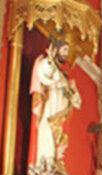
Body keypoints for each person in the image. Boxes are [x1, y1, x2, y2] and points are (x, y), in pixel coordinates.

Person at [29, 36, 81, 166]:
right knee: (47, 139)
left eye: (67, 51)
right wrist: (50, 60)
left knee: (55, 143)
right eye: (64, 50)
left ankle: (52, 168)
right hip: (50, 109)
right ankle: (44, 169)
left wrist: (73, 90)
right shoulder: (47, 64)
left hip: (61, 117)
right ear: (56, 50)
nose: (66, 54)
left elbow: (77, 103)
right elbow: (45, 74)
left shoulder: (64, 76)